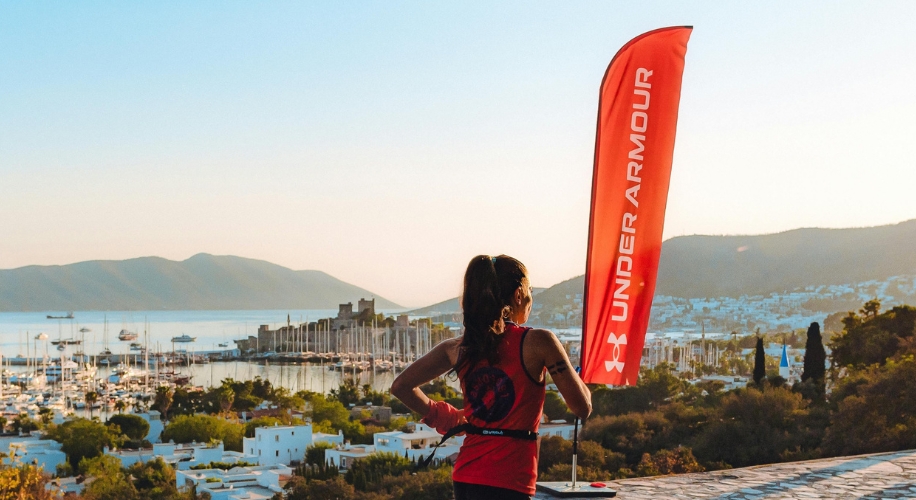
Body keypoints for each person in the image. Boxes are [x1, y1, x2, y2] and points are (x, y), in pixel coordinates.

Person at [391, 254, 592, 499]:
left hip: (466, 476)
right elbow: (582, 407)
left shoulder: (458, 347)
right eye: (530, 292)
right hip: (511, 480)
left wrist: (449, 418)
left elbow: (401, 386)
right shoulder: (540, 342)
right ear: (519, 295)